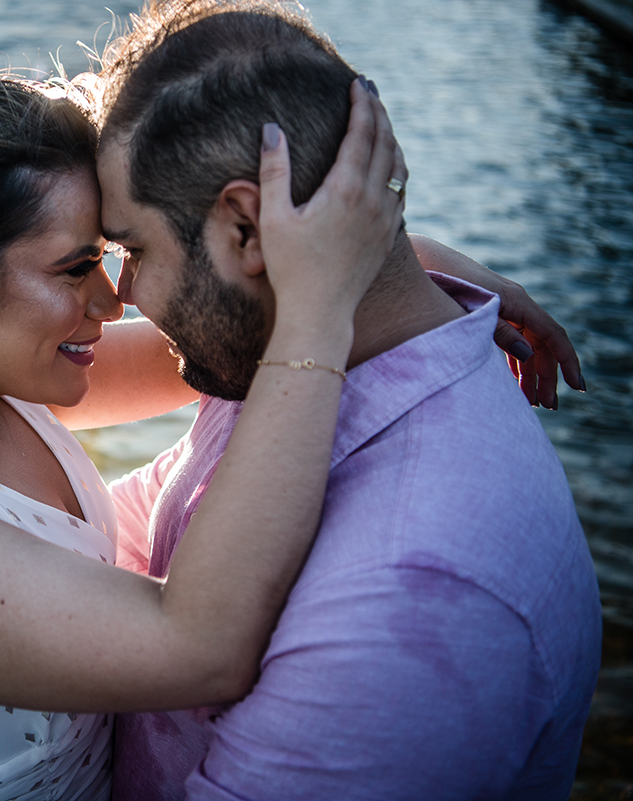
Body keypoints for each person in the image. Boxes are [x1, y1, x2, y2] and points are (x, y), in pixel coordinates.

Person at [0, 66, 416, 801]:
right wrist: (321, 309)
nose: (111, 295)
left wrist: (408, 277)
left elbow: (228, 335)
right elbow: (202, 646)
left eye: (110, 253)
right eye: (76, 266)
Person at [96, 2, 602, 799]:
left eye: (133, 249)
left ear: (245, 231)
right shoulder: (289, 354)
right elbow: (125, 529)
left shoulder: (418, 589)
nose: (121, 293)